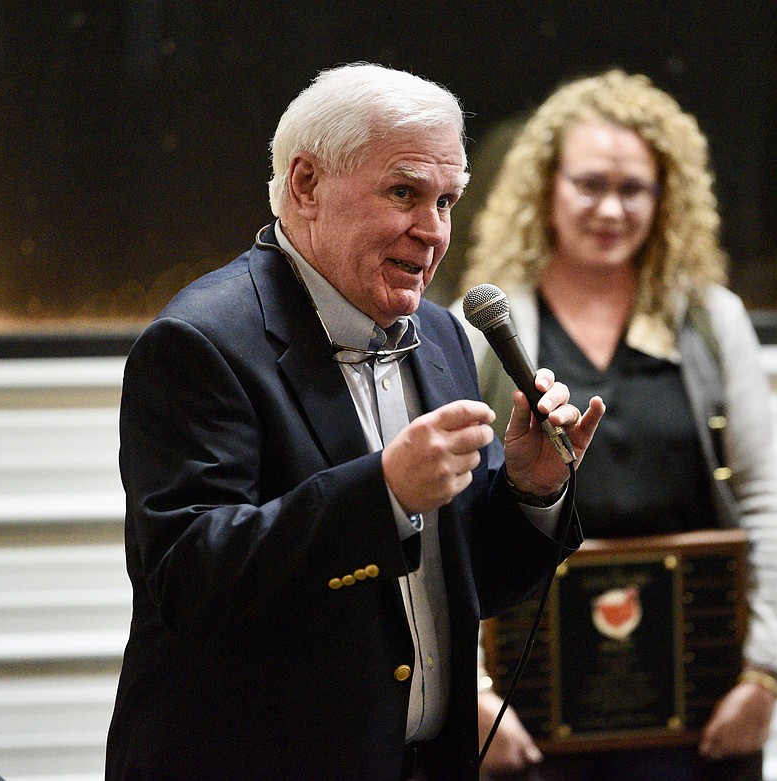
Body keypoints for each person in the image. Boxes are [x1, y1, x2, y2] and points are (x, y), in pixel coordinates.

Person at [105, 63, 605, 781]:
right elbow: (191, 579)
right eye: (404, 192)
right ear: (305, 185)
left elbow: (467, 584)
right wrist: (383, 493)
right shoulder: (201, 342)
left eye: (447, 200)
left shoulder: (440, 336)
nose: (433, 232)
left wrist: (530, 490)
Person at [456, 69, 777, 781]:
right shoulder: (485, 331)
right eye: (589, 184)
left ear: (667, 197)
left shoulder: (710, 321)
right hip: (530, 715)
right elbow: (448, 523)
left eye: (633, 188)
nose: (611, 208)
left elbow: (763, 499)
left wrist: (765, 672)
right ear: (545, 187)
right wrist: (475, 693)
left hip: (697, 710)